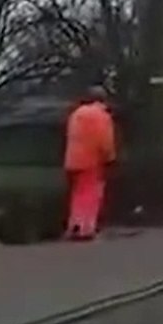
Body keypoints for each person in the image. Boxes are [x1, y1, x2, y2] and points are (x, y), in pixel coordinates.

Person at [64, 85, 117, 240]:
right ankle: (86, 228)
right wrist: (110, 158)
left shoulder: (76, 113)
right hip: (92, 160)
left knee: (78, 194)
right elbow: (105, 140)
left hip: (73, 159)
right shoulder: (102, 115)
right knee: (92, 194)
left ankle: (74, 225)